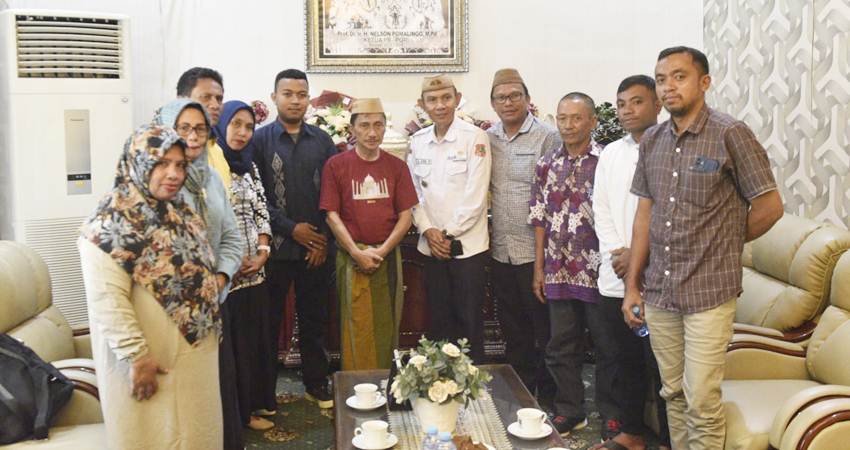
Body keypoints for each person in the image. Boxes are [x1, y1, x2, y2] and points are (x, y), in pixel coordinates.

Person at [625, 46, 783, 450]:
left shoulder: (731, 133)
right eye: (661, 79)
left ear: (704, 82)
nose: (668, 86)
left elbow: (770, 206)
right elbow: (644, 216)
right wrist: (632, 286)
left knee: (701, 401)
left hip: (709, 294)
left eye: (679, 76)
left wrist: (724, 241)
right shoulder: (653, 140)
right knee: (672, 394)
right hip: (660, 291)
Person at [79, 125, 223, 449]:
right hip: (149, 361)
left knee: (197, 434)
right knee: (155, 436)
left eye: (180, 164)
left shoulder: (178, 210)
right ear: (138, 162)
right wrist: (138, 357)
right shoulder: (109, 222)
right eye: (161, 163)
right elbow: (107, 299)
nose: (173, 174)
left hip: (193, 357)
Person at [154, 99, 245, 449]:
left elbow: (232, 237)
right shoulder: (157, 186)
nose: (193, 137)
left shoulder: (211, 179)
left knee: (218, 391)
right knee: (184, 408)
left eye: (200, 129)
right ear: (166, 132)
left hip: (215, 301)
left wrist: (220, 279)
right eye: (184, 128)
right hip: (172, 314)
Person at [591, 75, 670, 450]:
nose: (626, 110)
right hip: (616, 272)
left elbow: (672, 213)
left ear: (657, 104)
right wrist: (618, 252)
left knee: (661, 367)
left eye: (636, 102)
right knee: (621, 360)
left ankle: (671, 441)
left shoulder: (672, 148)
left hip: (659, 276)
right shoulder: (611, 153)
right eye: (621, 103)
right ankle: (632, 432)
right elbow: (600, 207)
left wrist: (639, 255)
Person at [253, 68, 337, 409]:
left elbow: (334, 195)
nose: (295, 100)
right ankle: (264, 391)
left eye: (301, 94)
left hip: (315, 251)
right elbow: (257, 198)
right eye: (288, 94)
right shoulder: (259, 140)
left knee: (315, 320)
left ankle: (316, 383)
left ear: (308, 98)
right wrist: (293, 229)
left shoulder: (323, 140)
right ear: (274, 97)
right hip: (274, 251)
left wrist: (321, 241)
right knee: (268, 324)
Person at [320, 98, 418, 370]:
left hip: (388, 256)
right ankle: (356, 388)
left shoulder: (397, 167)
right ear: (352, 129)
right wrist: (355, 252)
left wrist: (383, 251)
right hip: (352, 257)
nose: (372, 132)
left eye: (378, 125)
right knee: (356, 326)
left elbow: (406, 215)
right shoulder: (336, 165)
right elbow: (331, 215)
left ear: (386, 128)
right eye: (364, 125)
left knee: (389, 322)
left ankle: (387, 383)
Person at [529, 92, 604, 436]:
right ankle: (570, 410)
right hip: (558, 269)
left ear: (592, 121)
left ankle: (613, 416)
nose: (569, 125)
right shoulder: (547, 163)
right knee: (561, 344)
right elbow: (539, 217)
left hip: (599, 271)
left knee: (607, 348)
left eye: (576, 118)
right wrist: (539, 269)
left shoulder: (606, 161)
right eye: (562, 118)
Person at [486, 68, 560, 409]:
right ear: (493, 103)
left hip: (536, 251)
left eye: (515, 95)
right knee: (511, 325)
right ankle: (520, 389)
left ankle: (549, 393)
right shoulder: (488, 138)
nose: (509, 102)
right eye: (501, 97)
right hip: (501, 249)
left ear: (528, 100)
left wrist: (545, 261)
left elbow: (556, 196)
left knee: (543, 327)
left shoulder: (546, 137)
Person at [407, 74, 492, 360]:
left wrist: (446, 234)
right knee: (438, 322)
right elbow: (413, 194)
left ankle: (473, 390)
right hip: (431, 248)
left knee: (468, 323)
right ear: (422, 105)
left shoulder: (474, 137)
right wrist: (429, 231)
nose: (440, 105)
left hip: (467, 248)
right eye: (432, 100)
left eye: (446, 98)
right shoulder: (418, 141)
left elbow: (476, 196)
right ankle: (440, 388)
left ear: (457, 99)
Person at [214, 100, 277, 430]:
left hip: (256, 270)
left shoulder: (249, 165)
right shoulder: (212, 165)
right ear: (222, 125)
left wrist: (264, 249)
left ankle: (253, 405)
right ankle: (237, 416)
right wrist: (230, 262)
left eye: (249, 126)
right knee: (233, 349)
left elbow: (262, 209)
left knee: (253, 343)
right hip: (228, 276)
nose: (242, 132)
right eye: (236, 124)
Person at [177, 67, 231, 190]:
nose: (215, 105)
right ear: (181, 100)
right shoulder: (168, 148)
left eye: (219, 99)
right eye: (205, 97)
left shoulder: (216, 150)